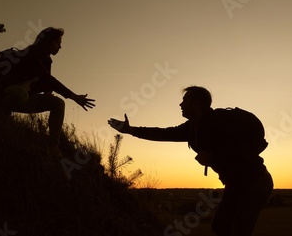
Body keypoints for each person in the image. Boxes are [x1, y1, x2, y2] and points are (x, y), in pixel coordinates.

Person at [108, 86, 273, 236]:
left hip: (255, 183)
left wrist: (211, 159)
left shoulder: (216, 124)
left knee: (238, 231)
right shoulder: (192, 127)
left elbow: (239, 154)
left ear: (197, 102)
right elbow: (164, 134)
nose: (180, 104)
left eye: (185, 100)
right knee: (220, 227)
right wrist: (130, 130)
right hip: (236, 184)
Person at [0, 27, 95, 152]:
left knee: (58, 103)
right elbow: (48, 79)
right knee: (20, 93)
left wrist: (48, 93)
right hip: (8, 93)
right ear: (47, 42)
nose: (60, 47)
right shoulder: (31, 54)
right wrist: (73, 96)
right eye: (57, 43)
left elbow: (47, 84)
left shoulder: (47, 61)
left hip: (26, 97)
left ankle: (53, 146)